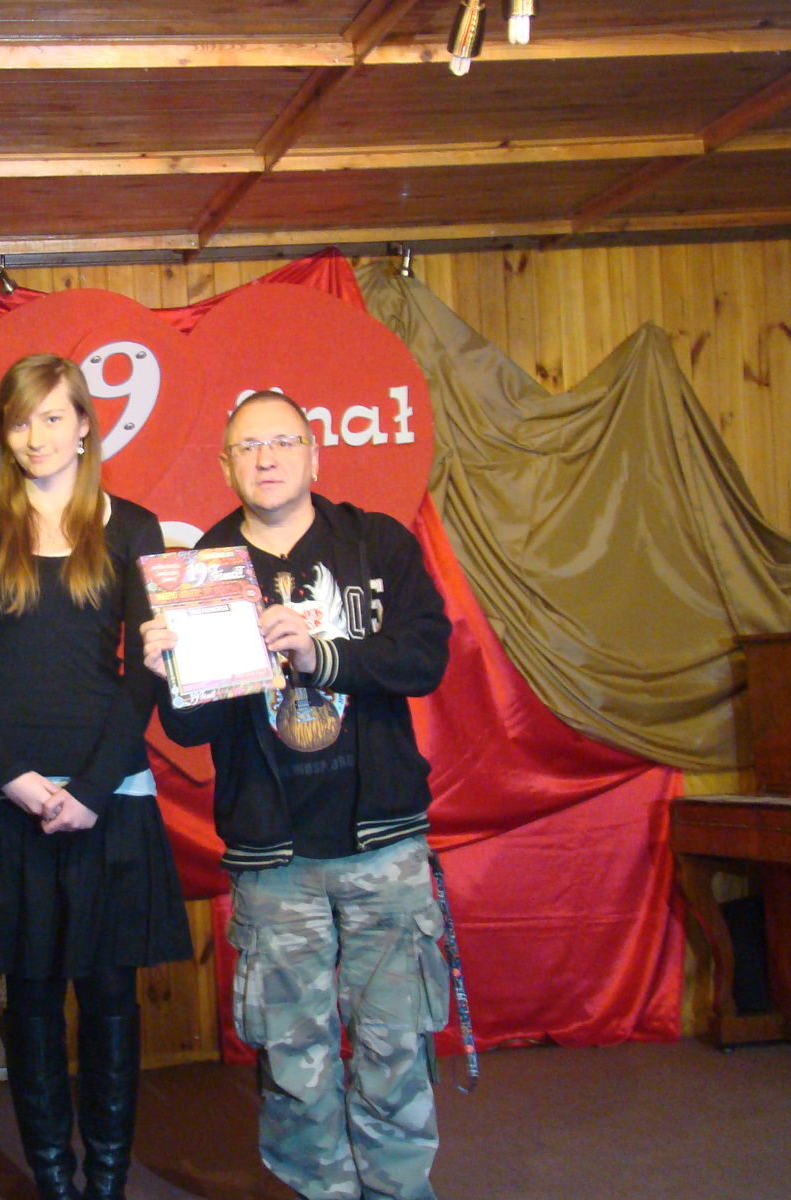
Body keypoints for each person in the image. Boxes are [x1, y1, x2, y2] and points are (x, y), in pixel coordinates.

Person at [142, 390, 453, 1200]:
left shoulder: (374, 542)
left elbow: (426, 656)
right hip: (274, 855)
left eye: (282, 441)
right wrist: (170, 675)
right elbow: (192, 728)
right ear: (226, 466)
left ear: (314, 454)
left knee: (395, 1045)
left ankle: (398, 1192)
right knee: (293, 1062)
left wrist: (324, 656)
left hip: (382, 842)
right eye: (248, 447)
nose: (267, 458)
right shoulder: (206, 568)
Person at [0, 353, 193, 1200]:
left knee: (111, 994)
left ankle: (106, 1182)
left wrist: (90, 789)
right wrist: (11, 778)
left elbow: (148, 672)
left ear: (85, 424)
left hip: (108, 792)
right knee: (34, 997)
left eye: (52, 417)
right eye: (19, 421)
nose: (36, 435)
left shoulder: (133, 527)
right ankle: (54, 1179)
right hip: (10, 796)